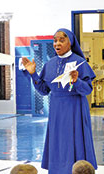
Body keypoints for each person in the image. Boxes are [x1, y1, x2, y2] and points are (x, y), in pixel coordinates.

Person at [22, 28, 97, 174]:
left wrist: (77, 81)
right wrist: (33, 74)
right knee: (58, 142)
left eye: (62, 40)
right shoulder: (50, 64)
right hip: (56, 109)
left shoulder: (80, 63)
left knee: (75, 141)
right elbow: (44, 90)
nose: (57, 43)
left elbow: (87, 90)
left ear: (71, 42)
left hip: (75, 108)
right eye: (55, 40)